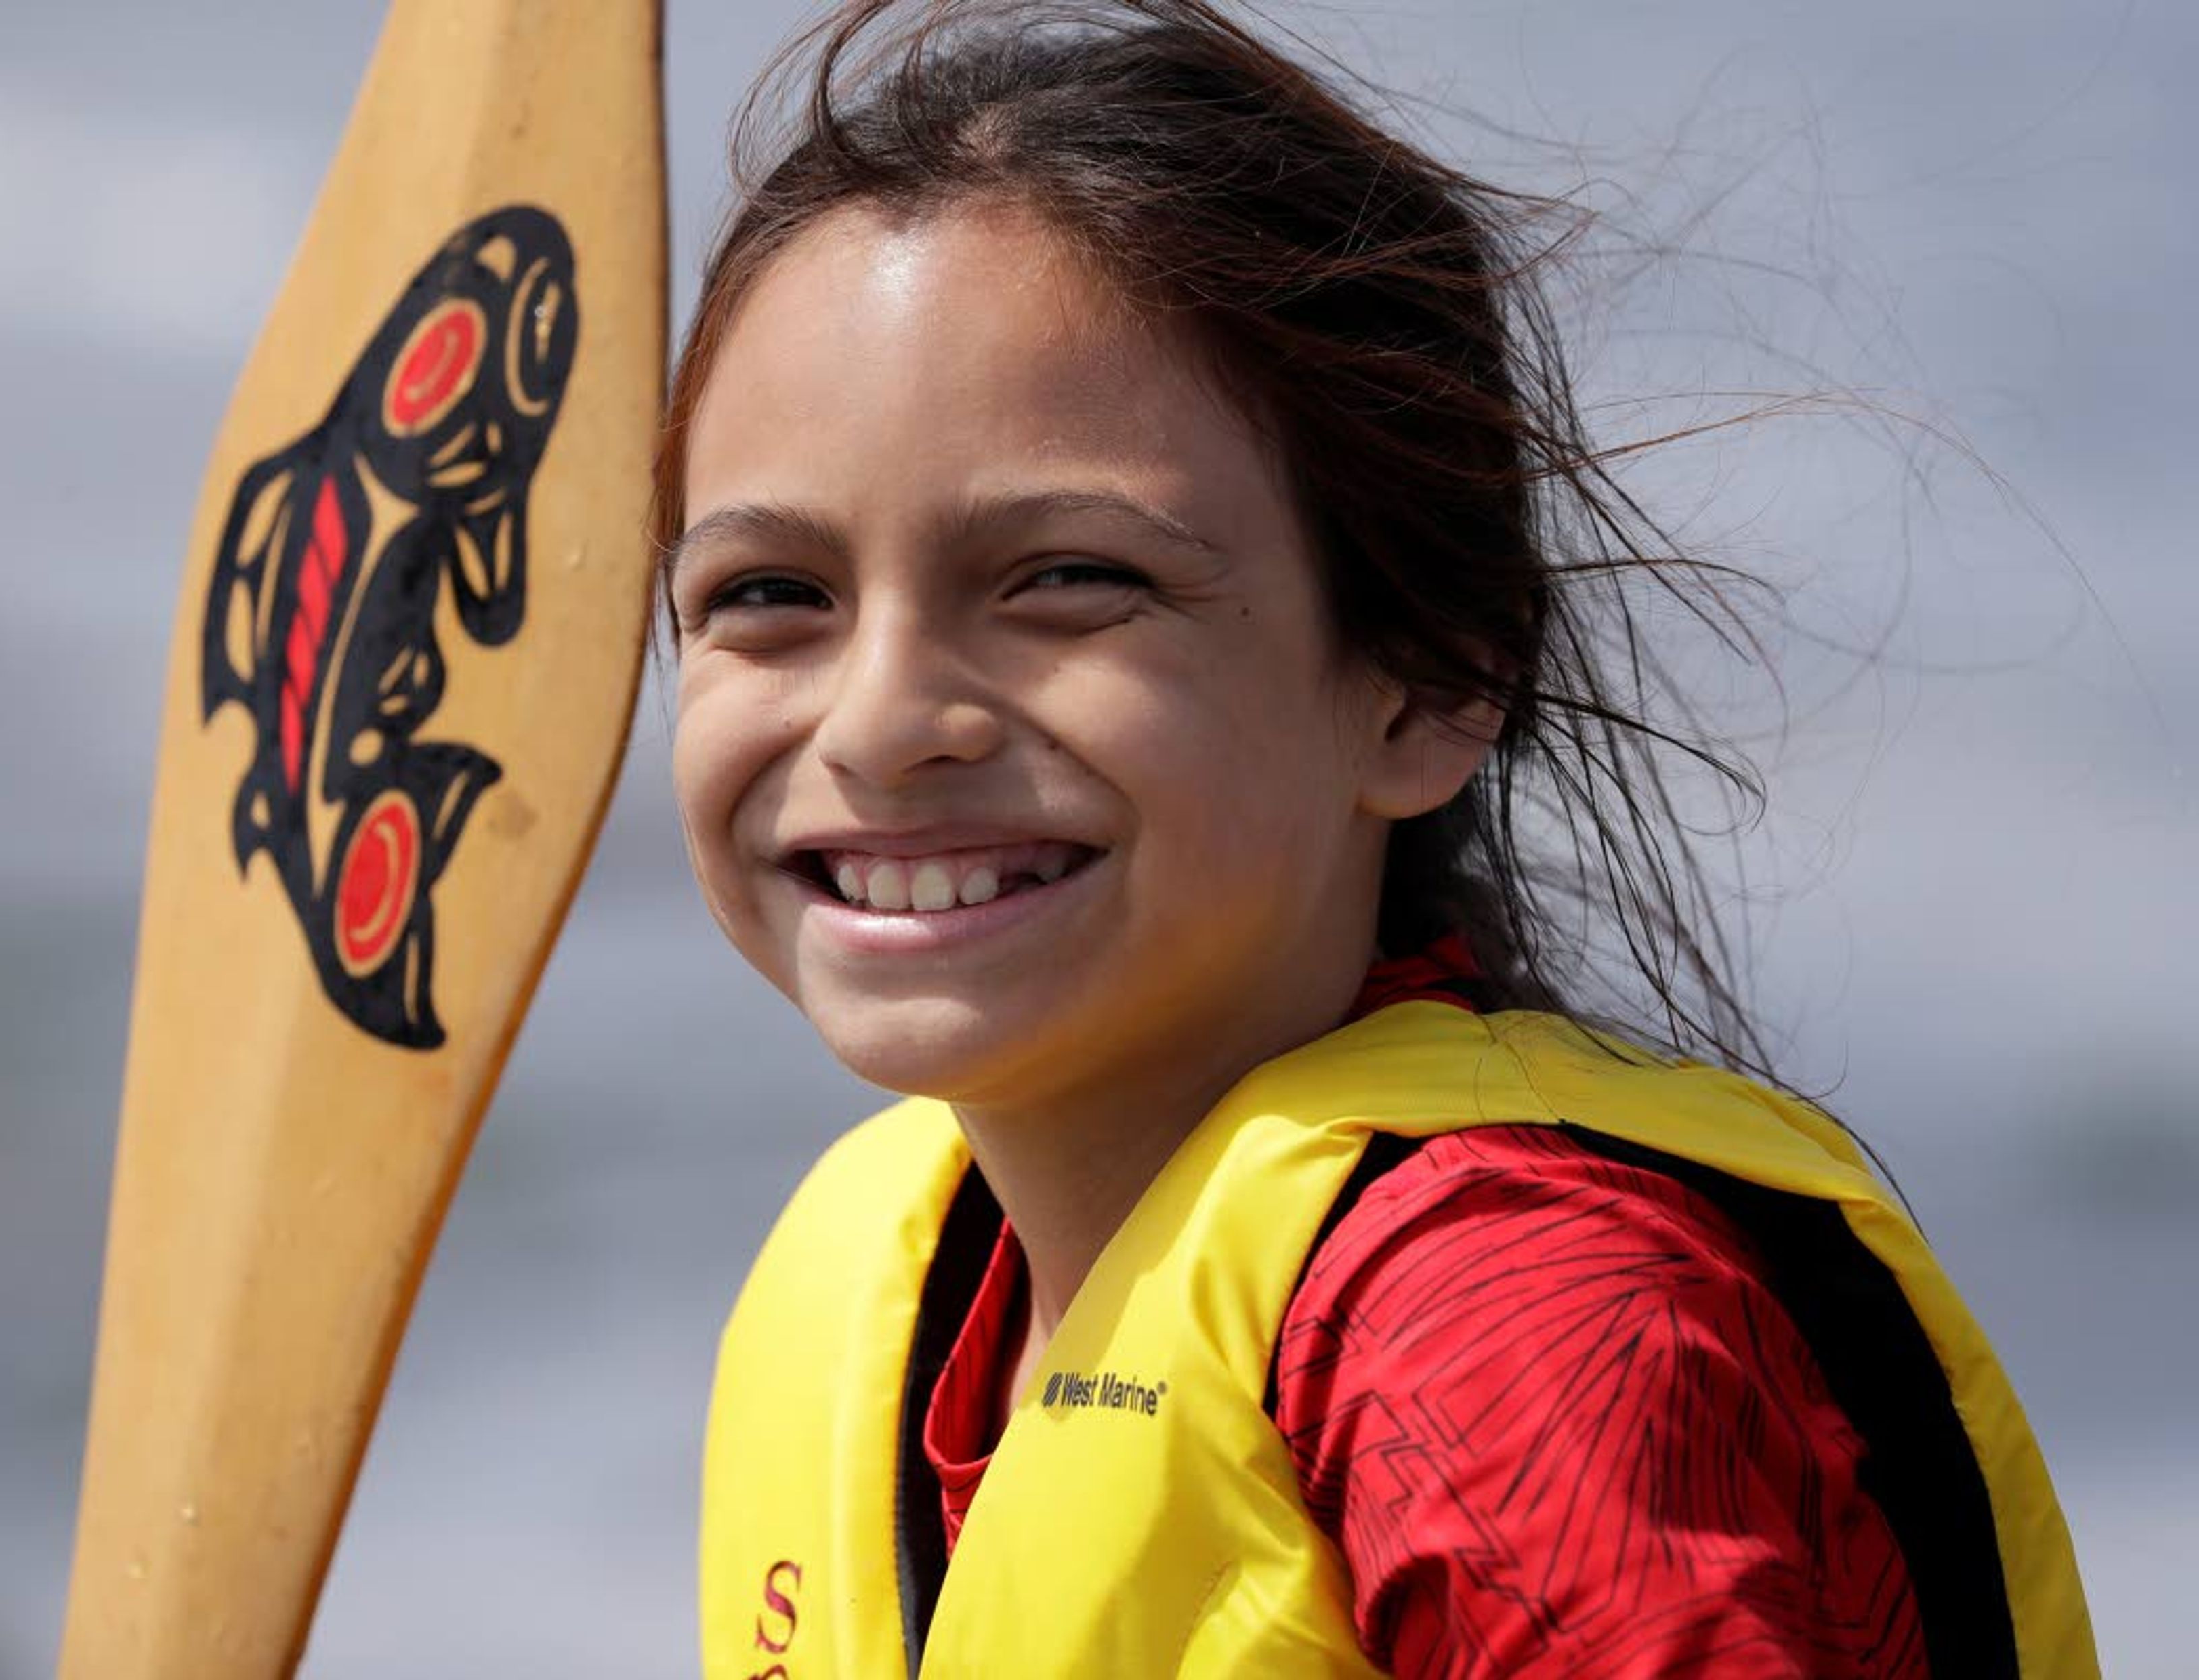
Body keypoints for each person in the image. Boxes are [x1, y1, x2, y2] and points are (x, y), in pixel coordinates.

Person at [659, 3, 2097, 1673]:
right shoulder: (904, 1277)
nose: (883, 718)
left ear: (1426, 676)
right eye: (770, 596)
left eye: (1071, 578)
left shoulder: (1515, 1331)